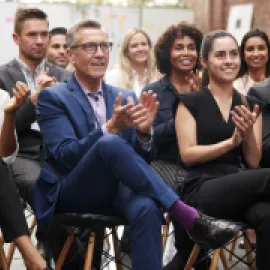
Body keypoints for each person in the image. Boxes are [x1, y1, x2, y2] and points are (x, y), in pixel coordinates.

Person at [33, 20, 240, 270]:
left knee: (147, 207)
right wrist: (109, 129)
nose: (99, 54)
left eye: (104, 46)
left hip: (117, 189)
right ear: (70, 55)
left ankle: (180, 215)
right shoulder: (53, 97)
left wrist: (144, 134)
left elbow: (138, 160)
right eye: (89, 47)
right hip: (73, 189)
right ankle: (186, 214)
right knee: (109, 143)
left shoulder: (125, 96)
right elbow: (64, 156)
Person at [175, 29, 270, 270]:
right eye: (220, 55)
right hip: (202, 189)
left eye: (233, 54)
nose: (229, 61)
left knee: (267, 215)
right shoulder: (190, 102)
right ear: (204, 61)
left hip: (240, 184)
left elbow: (253, 161)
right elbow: (188, 154)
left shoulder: (250, 104)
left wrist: (247, 135)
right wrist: (230, 143)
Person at [0, 7, 70, 264]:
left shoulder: (65, 76)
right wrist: (33, 101)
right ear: (16, 38)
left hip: (61, 153)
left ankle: (70, 255)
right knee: (44, 184)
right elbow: (5, 131)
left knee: (83, 183)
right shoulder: (2, 76)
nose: (40, 41)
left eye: (44, 34)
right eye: (32, 34)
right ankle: (54, 253)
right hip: (21, 156)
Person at [142, 22, 210, 270]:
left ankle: (191, 256)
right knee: (191, 188)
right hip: (165, 165)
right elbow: (152, 137)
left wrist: (202, 100)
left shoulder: (209, 88)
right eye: (178, 47)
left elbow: (216, 133)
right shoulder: (153, 91)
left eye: (192, 47)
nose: (186, 53)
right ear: (167, 54)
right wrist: (187, 109)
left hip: (201, 162)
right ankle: (193, 256)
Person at [0, 82, 51, 270]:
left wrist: (9, 114)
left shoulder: (2, 98)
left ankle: (33, 257)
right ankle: (32, 256)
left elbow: (5, 156)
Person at [105, 27, 158, 97]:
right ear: (126, 51)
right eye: (134, 46)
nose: (140, 49)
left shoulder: (158, 76)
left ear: (149, 47)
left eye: (144, 44)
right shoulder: (114, 76)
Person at [234, 28, 270, 95]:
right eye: (250, 49)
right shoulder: (235, 88)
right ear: (243, 54)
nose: (256, 54)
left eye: (261, 48)